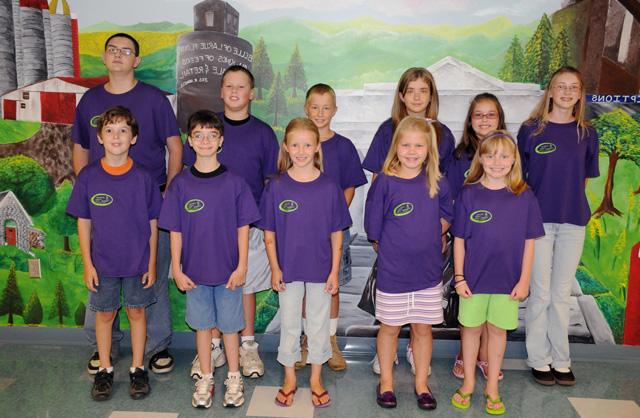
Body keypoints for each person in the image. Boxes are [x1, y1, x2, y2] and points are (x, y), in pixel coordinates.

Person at [71, 32, 182, 375]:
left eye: (127, 51)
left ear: (137, 61)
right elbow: (80, 147)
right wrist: (86, 189)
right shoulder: (89, 101)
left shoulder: (153, 100)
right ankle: (103, 349)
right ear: (104, 57)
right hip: (102, 205)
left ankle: (156, 347)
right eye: (112, 50)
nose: (119, 55)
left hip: (147, 202)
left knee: (152, 276)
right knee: (100, 276)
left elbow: (175, 147)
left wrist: (169, 192)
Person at [159, 110, 261, 408]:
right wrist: (176, 268)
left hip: (228, 273)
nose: (205, 141)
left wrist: (242, 266)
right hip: (194, 274)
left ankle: (232, 376)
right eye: (198, 135)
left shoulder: (235, 183)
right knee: (203, 328)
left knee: (230, 328)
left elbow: (244, 227)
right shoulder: (180, 184)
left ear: (221, 141)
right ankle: (206, 376)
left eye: (212, 135)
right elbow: (175, 230)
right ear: (189, 141)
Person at [183, 65, 279, 380]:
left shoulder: (263, 133)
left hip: (247, 225)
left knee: (244, 284)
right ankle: (212, 347)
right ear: (221, 92)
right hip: (206, 227)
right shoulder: (206, 129)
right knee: (208, 284)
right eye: (228, 86)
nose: (235, 92)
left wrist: (263, 225)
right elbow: (189, 175)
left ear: (251, 93)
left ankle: (247, 344)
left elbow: (270, 182)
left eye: (241, 87)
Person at [361, 67, 455, 375]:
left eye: (423, 91)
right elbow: (377, 182)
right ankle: (386, 355)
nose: (416, 97)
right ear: (401, 95)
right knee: (389, 297)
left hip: (427, 239)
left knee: (422, 308)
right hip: (393, 234)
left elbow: (445, 190)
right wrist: (378, 237)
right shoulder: (387, 129)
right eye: (410, 90)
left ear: (431, 97)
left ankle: (418, 352)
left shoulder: (443, 134)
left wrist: (437, 231)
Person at [67, 106, 162, 401]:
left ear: (134, 137)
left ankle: (137, 368)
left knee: (136, 312)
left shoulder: (144, 178)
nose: (116, 136)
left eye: (123, 130)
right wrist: (88, 263)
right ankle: (105, 370)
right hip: (103, 263)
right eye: (109, 130)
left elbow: (153, 222)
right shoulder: (88, 177)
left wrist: (151, 261)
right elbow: (84, 221)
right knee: (105, 315)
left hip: (137, 261)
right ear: (99, 137)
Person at [258, 118, 352, 408]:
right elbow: (269, 234)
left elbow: (337, 234)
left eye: (307, 145)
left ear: (317, 148)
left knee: (318, 325)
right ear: (286, 146)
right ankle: (289, 378)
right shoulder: (276, 187)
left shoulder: (329, 187)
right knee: (289, 324)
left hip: (321, 271)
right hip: (288, 271)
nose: (300, 151)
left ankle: (315, 378)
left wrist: (335, 271)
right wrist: (274, 268)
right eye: (295, 144)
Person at [450, 131, 544, 415]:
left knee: (497, 332)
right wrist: (459, 277)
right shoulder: (468, 193)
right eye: (490, 155)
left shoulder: (524, 196)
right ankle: (467, 384)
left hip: (508, 283)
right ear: (481, 158)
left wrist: (525, 279)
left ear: (514, 159)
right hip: (473, 281)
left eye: (504, 155)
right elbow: (459, 241)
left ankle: (492, 387)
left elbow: (529, 242)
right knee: (471, 331)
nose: (497, 161)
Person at [519, 66, 600, 386]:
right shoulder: (531, 130)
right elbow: (521, 181)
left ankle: (561, 360)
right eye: (560, 86)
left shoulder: (587, 133)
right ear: (550, 91)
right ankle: (538, 359)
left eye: (574, 87)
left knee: (561, 294)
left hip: (572, 223)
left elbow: (580, 179)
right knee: (539, 294)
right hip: (538, 224)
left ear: (580, 94)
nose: (567, 92)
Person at [292, 83, 367, 371]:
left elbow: (349, 186)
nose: (320, 113)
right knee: (301, 286)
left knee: (330, 286)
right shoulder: (296, 145)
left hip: (334, 230)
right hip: (299, 232)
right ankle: (307, 340)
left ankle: (330, 341)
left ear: (335, 110)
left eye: (326, 107)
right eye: (315, 107)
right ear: (306, 108)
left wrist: (333, 216)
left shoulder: (344, 146)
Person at [448, 93, 506, 381]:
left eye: (490, 114)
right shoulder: (459, 157)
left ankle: (486, 356)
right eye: (478, 115)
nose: (484, 120)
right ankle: (466, 353)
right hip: (468, 241)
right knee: (470, 299)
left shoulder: (509, 155)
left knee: (494, 300)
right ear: (470, 121)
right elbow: (451, 199)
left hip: (499, 245)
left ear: (500, 119)